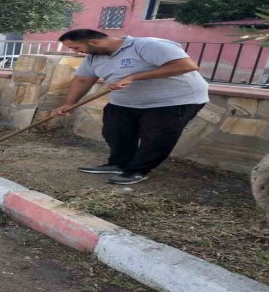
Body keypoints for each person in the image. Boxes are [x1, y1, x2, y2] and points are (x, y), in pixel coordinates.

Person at [51, 29, 209, 185]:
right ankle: (119, 164)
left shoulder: (146, 45)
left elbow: (186, 66)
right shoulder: (94, 57)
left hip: (172, 101)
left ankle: (137, 170)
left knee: (156, 138)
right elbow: (83, 80)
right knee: (115, 132)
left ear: (94, 42)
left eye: (76, 47)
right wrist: (69, 104)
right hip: (125, 101)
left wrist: (133, 77)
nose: (76, 52)